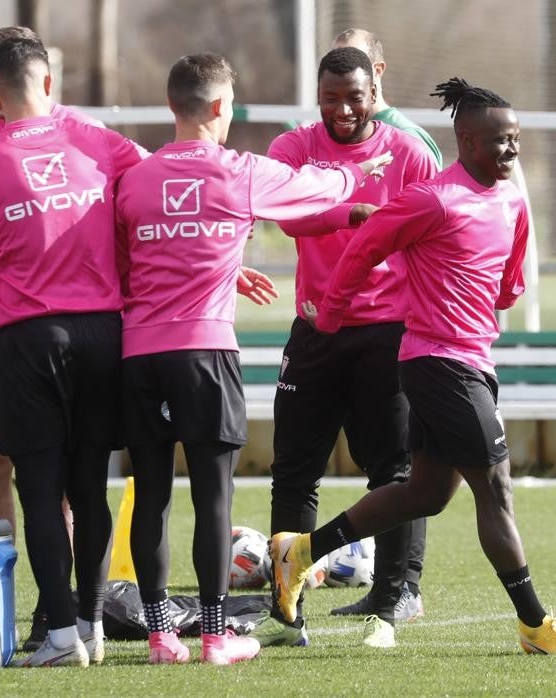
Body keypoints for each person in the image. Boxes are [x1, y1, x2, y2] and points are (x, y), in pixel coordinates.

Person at [271, 78, 556, 656]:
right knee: (495, 489)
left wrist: (494, 287)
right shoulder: (433, 198)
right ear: (467, 140)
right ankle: (534, 624)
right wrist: (331, 313)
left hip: (472, 359)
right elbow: (366, 244)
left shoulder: (512, 200)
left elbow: (509, 281)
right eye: (501, 140)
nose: (512, 150)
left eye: (517, 139)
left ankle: (298, 553)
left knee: (424, 492)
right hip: (436, 362)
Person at [114, 52, 391, 666]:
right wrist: (357, 177)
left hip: (138, 356)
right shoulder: (237, 171)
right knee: (213, 496)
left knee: (153, 492)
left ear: (170, 106)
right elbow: (324, 187)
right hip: (203, 351)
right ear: (220, 108)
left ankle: (161, 636)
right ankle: (214, 635)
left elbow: (128, 257)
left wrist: (224, 263)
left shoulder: (133, 179)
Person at [0, 35, 146, 668]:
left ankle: (60, 634)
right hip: (102, 334)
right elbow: (165, 185)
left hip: (25, 337)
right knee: (88, 487)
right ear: (50, 84)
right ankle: (91, 625)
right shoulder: (102, 144)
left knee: (39, 488)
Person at [252, 46, 440, 650]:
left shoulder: (409, 151)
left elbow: (436, 228)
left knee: (394, 467)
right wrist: (352, 213)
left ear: (372, 91)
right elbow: (286, 214)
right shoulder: (295, 148)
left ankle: (394, 596)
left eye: (353, 97)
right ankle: (287, 609)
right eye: (330, 98)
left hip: (388, 329)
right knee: (294, 469)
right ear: (318, 94)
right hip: (315, 329)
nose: (342, 110)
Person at [332, 28, 443, 166]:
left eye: (351, 63)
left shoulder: (409, 139)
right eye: (334, 64)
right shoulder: (326, 135)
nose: (340, 73)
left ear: (377, 70)